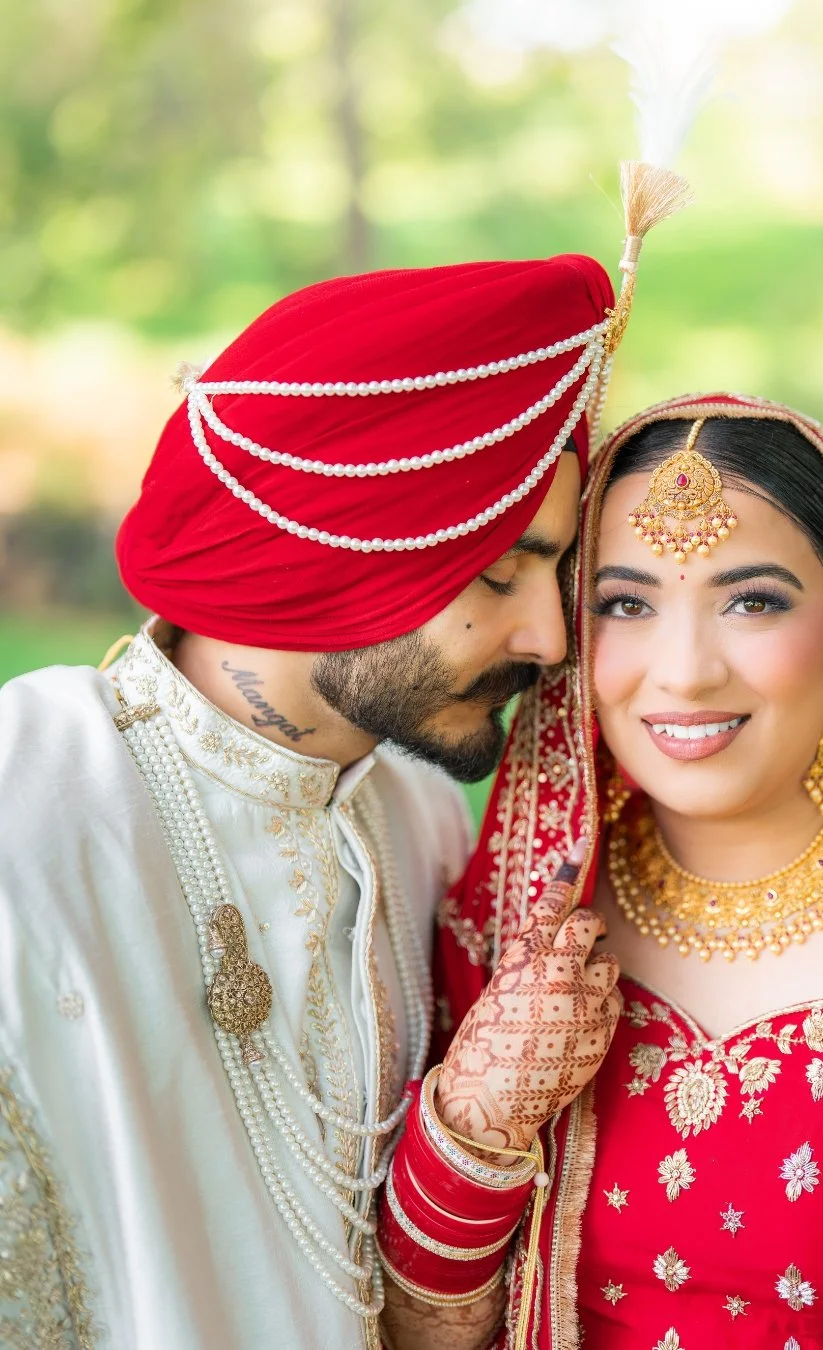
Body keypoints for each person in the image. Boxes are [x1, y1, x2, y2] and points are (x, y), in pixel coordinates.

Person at [0, 254, 618, 1349]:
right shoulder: (30, 797)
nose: (549, 640)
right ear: (333, 544)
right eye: (498, 574)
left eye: (556, 574)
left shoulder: (420, 820)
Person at [384, 391, 823, 1349]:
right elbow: (420, 1333)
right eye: (626, 604)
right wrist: (474, 1130)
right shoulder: (527, 913)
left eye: (752, 602)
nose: (684, 671)